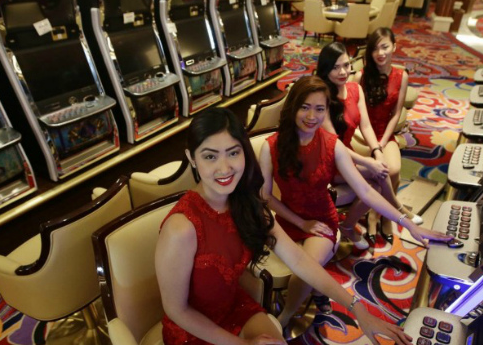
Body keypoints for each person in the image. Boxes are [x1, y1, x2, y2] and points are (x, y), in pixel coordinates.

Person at [156, 108, 414, 345]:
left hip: (234, 307)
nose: (224, 168)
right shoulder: (181, 228)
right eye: (210, 156)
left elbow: (300, 261)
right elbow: (177, 310)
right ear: (191, 158)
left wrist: (358, 309)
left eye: (233, 153)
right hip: (192, 329)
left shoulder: (247, 203)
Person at [258, 76, 452, 329]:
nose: (312, 116)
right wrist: (301, 223)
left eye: (319, 109)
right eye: (305, 107)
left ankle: (284, 318)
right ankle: (318, 291)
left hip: (322, 221)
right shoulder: (271, 146)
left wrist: (408, 224)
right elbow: (265, 196)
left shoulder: (332, 145)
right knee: (297, 267)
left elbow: (366, 191)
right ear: (293, 107)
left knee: (305, 269)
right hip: (288, 220)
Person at [313, 42, 422, 253]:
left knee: (378, 181)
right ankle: (398, 208)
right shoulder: (321, 97)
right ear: (325, 69)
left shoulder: (355, 89)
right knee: (379, 173)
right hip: (327, 159)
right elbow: (333, 143)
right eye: (335, 67)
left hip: (347, 156)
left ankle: (347, 226)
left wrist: (377, 151)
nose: (343, 72)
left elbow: (365, 126)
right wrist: (368, 162)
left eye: (346, 65)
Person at [359, 28, 419, 244]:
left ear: (394, 46)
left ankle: (379, 214)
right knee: (384, 171)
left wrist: (383, 142)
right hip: (362, 135)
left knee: (393, 169)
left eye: (385, 47)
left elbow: (396, 114)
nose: (380, 53)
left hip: (385, 133)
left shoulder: (401, 76)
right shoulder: (362, 76)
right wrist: (373, 145)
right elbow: (357, 114)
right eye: (375, 49)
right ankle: (383, 213)